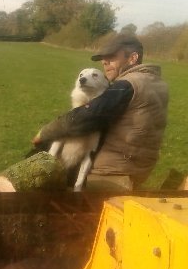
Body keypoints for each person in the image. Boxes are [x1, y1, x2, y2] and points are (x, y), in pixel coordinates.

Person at [32, 34, 169, 189]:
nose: (105, 62)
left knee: (39, 179)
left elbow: (85, 118)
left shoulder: (127, 85)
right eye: (104, 58)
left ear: (132, 58)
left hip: (113, 171)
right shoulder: (156, 83)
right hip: (139, 166)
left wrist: (45, 132)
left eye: (111, 57)